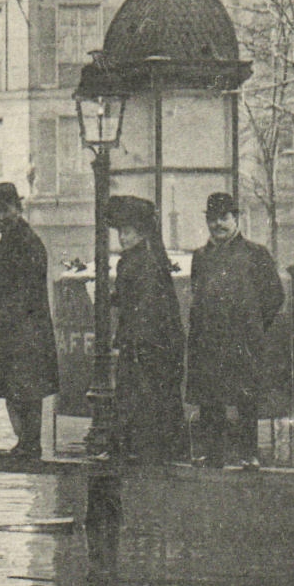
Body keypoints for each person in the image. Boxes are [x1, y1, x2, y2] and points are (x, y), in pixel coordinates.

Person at [188, 193, 284, 469]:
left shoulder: (256, 254)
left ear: (236, 218)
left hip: (243, 340)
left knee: (246, 398)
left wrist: (252, 323)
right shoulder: (201, 256)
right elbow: (198, 294)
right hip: (209, 340)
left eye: (223, 218)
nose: (217, 224)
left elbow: (274, 296)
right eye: (212, 218)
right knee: (211, 397)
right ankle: (214, 454)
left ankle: (248, 453)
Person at [0, 182, 59, 459]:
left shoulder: (27, 242)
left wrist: (3, 320)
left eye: (7, 210)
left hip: (28, 329)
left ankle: (29, 444)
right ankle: (24, 443)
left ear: (18, 207)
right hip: (12, 329)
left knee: (26, 388)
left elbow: (27, 291)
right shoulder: (8, 242)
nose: (1, 217)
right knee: (13, 389)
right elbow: (2, 287)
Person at [108, 195, 186, 463]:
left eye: (127, 232)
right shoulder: (136, 258)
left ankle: (145, 449)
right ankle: (139, 447)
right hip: (143, 338)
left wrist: (135, 340)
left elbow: (147, 303)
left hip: (150, 340)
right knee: (136, 392)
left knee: (144, 393)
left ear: (141, 233)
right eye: (120, 232)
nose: (122, 238)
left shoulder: (146, 260)